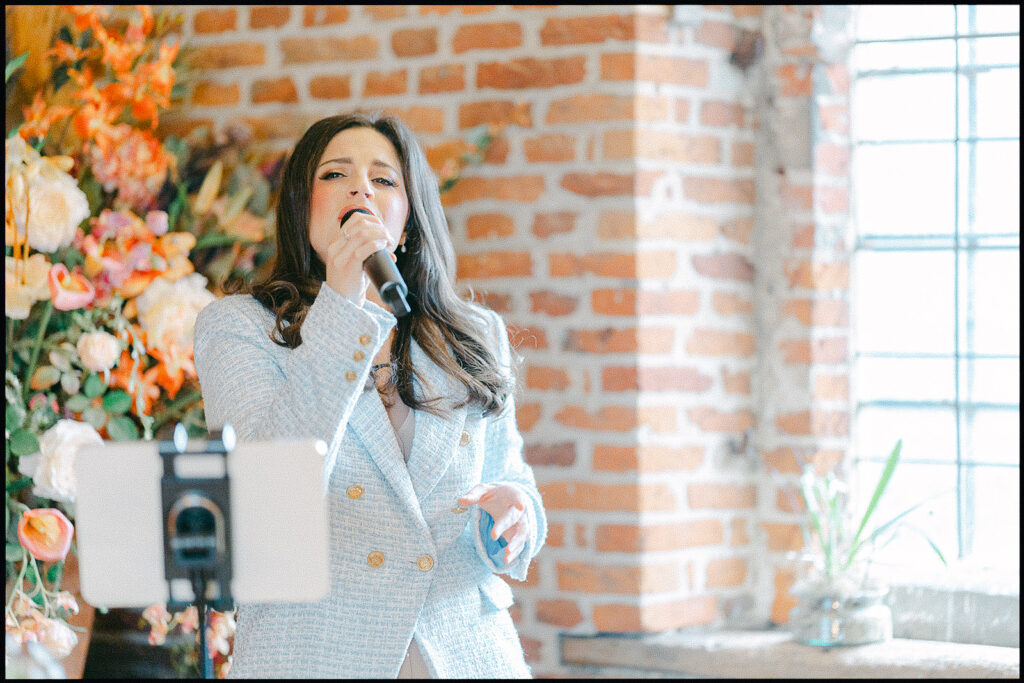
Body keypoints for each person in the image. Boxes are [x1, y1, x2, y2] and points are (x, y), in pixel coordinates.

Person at [192, 111, 547, 679]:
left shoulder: (472, 334)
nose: (361, 187)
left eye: (384, 179)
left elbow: (513, 480)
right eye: (335, 174)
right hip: (314, 654)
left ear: (406, 223)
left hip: (464, 655)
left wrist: (513, 517)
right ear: (302, 211)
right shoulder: (238, 327)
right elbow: (268, 488)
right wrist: (342, 303)